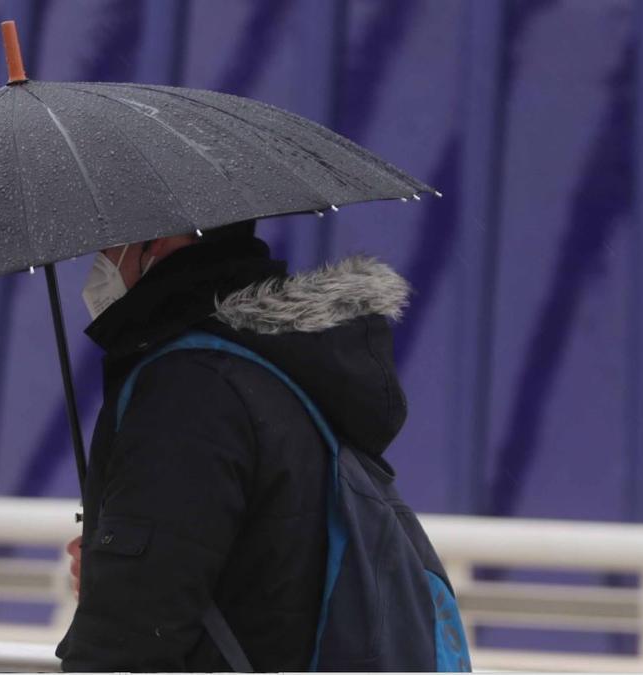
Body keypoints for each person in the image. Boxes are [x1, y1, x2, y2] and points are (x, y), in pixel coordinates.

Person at [55, 220, 418, 671]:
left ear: (159, 239)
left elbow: (133, 633)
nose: (101, 263)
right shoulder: (274, 364)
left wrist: (122, 577)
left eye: (109, 245)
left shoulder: (189, 388)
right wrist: (118, 560)